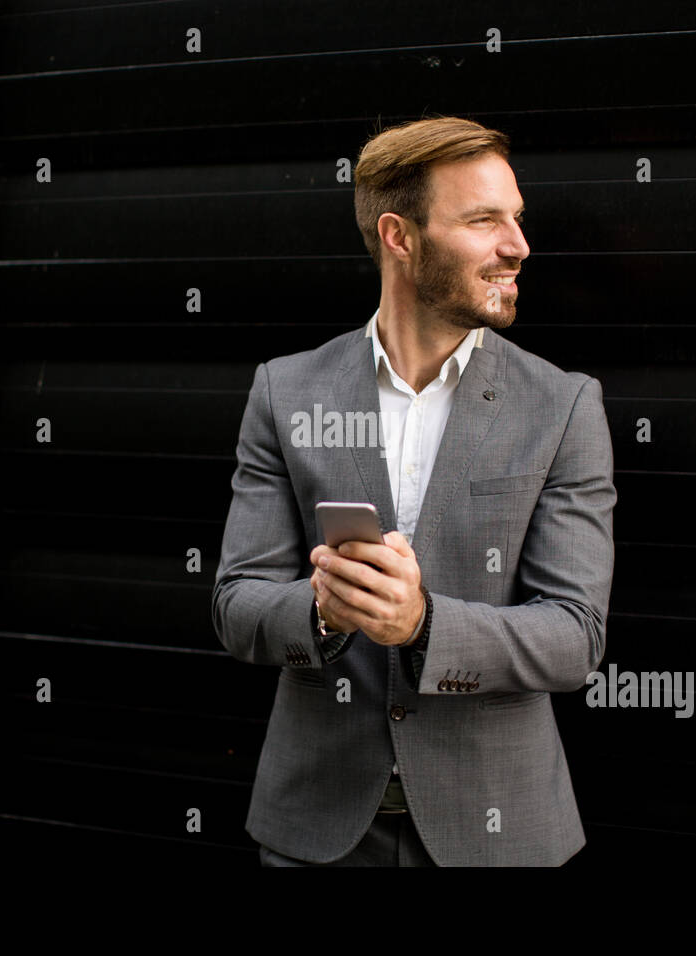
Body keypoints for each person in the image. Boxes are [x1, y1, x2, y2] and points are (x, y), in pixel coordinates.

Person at [211, 115, 616, 866]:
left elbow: (575, 636)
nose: (518, 245)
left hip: (498, 838)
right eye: (484, 220)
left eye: (516, 218)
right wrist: (322, 613)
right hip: (318, 834)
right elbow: (236, 602)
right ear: (400, 237)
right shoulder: (285, 390)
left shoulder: (562, 406)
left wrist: (422, 623)